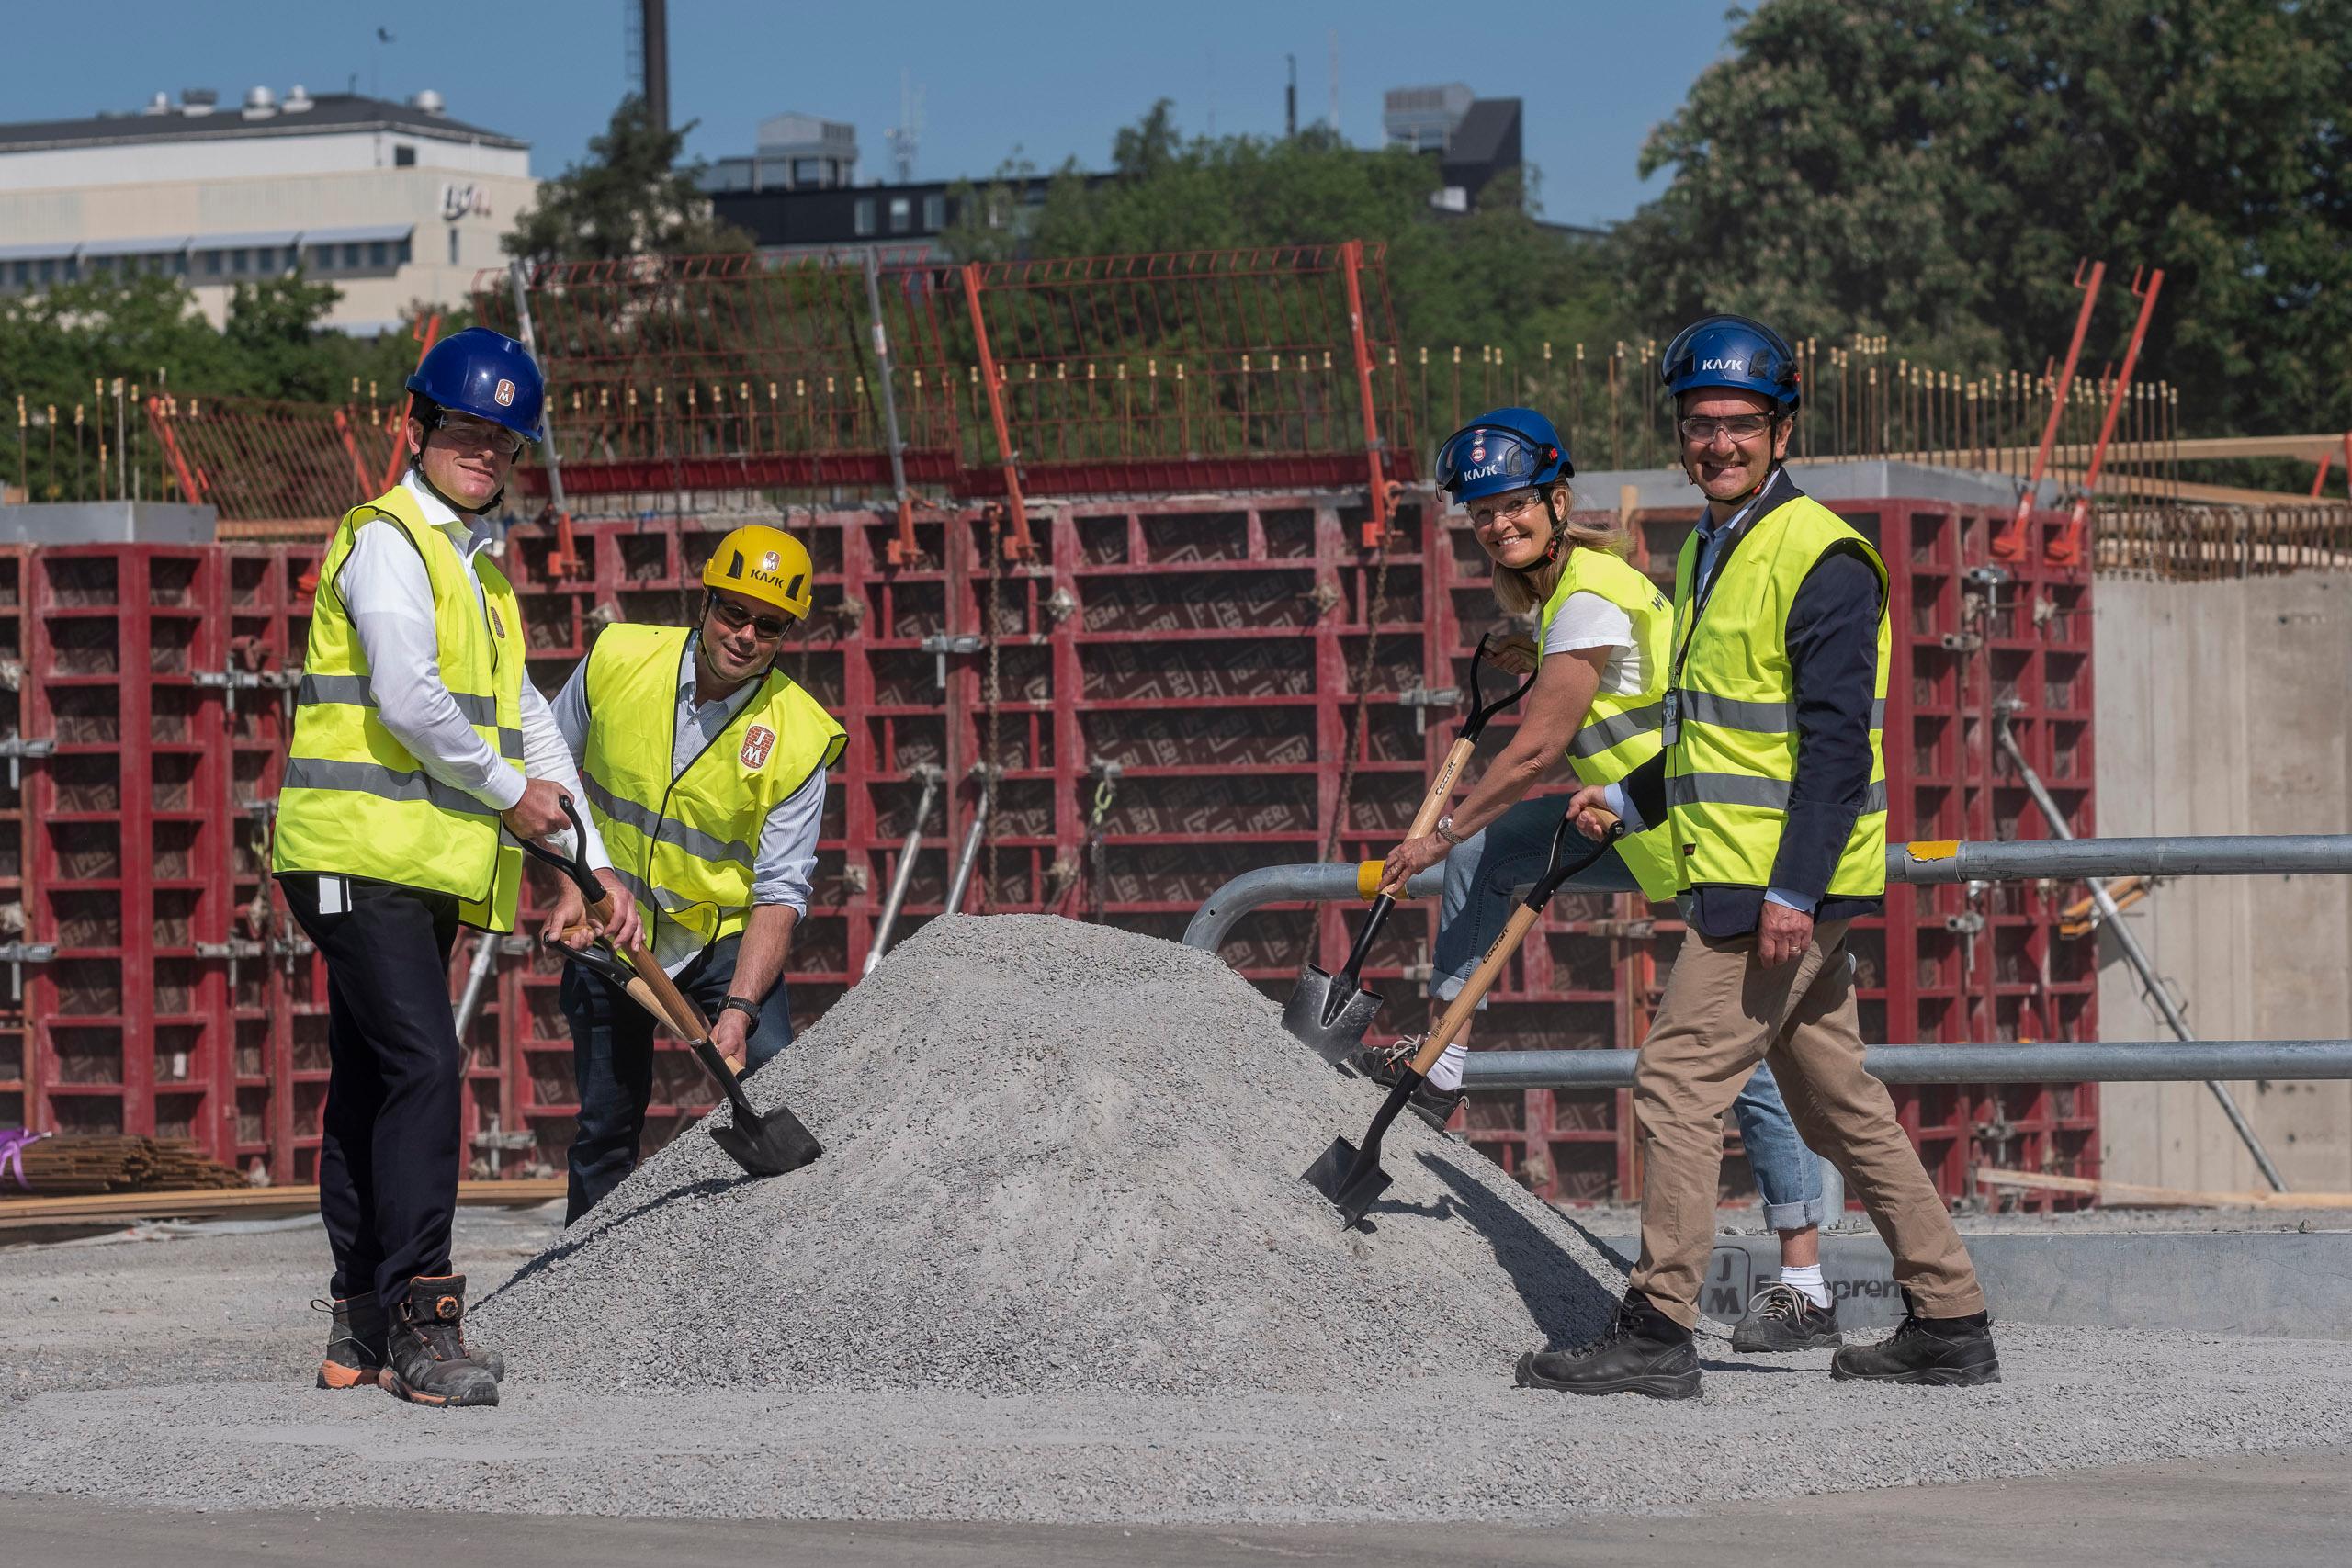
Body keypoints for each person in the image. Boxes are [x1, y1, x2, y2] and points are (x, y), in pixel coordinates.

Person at [1521, 314, 1998, 1399]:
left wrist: (1793, 888)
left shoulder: (1820, 556)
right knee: (1840, 1107)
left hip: (1771, 885)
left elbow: (1837, 745)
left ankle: (1654, 1331)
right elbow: (1709, 730)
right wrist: (1632, 800)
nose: (1716, 442)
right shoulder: (1706, 547)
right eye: (1698, 424)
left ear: (1781, 431)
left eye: (1739, 423)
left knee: (1675, 1084)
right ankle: (1951, 1316)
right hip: (1747, 869)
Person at [1374, 408, 1840, 1353]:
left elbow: (1542, 743)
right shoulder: (1570, 601)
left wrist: (1435, 832)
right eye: (1480, 512)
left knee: (1734, 1064)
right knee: (1496, 855)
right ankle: (1445, 1060)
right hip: (1640, 818)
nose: (1497, 524)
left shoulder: (1587, 595)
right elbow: (1602, 674)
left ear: (1555, 500)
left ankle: (1804, 1281)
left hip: (1704, 829)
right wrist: (1534, 648)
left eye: (1513, 505)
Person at [275, 327, 628, 1408]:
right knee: (427, 1067)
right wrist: (513, 799)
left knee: (377, 1077)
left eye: (504, 440)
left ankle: (359, 1326)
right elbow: (410, 701)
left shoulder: (478, 568)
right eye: (468, 429)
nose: (486, 451)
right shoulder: (389, 540)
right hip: (352, 856)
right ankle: (424, 1317)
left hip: (413, 864)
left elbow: (519, 716)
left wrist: (588, 859)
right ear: (420, 428)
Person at [541, 524, 846, 1225]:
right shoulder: (618, 657)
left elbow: (780, 890)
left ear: (785, 635)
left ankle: (787, 1251)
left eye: (767, 625)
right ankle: (582, 1290)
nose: (744, 634)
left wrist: (737, 1010)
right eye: (732, 611)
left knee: (774, 1075)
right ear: (704, 602)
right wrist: (571, 889)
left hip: (719, 939)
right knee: (605, 1127)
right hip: (607, 923)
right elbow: (547, 779)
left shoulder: (798, 736)